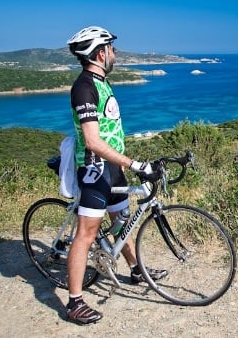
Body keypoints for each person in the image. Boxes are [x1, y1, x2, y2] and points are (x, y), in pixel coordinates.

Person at [65, 26, 167, 325]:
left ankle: (136, 271)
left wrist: (122, 164)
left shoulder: (102, 83)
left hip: (113, 169)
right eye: (112, 49)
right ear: (100, 53)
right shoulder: (84, 87)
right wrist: (135, 164)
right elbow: (94, 141)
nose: (115, 53)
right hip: (95, 171)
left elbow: (111, 132)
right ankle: (74, 302)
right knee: (87, 234)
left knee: (122, 223)